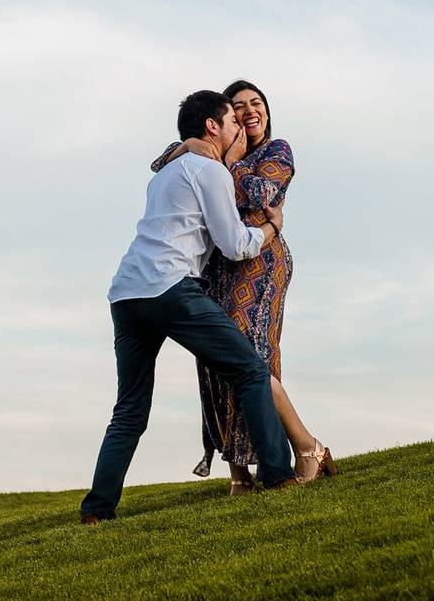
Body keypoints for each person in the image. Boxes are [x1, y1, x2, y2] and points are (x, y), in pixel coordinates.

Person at [80, 90, 298, 524]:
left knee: (129, 410)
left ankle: (97, 510)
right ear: (213, 127)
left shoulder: (164, 174)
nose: (240, 127)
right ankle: (279, 476)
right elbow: (235, 245)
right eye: (232, 121)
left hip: (125, 294)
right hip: (170, 289)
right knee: (251, 370)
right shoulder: (209, 171)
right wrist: (272, 228)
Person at [151, 80, 336, 495]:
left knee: (250, 355)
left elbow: (261, 192)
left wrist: (224, 159)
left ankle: (307, 448)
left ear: (266, 112)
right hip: (214, 265)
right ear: (224, 118)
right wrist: (189, 149)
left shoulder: (277, 151)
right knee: (215, 362)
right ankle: (239, 474)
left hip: (259, 260)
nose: (249, 111)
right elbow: (159, 163)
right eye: (238, 107)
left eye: (256, 104)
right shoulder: (203, 150)